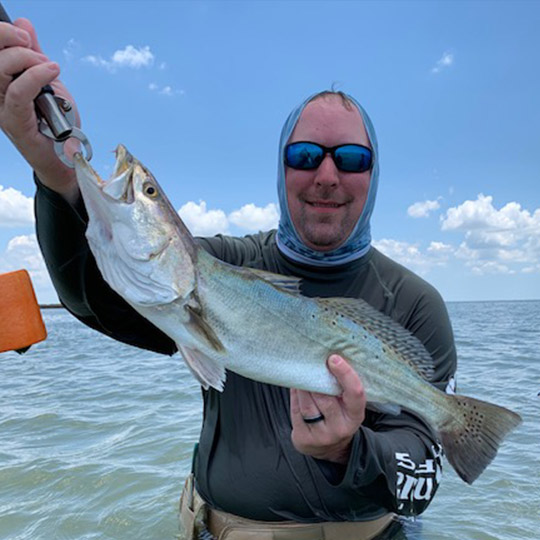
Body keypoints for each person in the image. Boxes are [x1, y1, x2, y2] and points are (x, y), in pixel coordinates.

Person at [0, 18, 457, 540]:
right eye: (304, 155)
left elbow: (421, 480)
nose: (326, 175)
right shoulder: (217, 264)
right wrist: (57, 170)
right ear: (281, 167)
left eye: (351, 158)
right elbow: (94, 298)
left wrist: (351, 451)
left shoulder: (418, 303)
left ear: (373, 174)